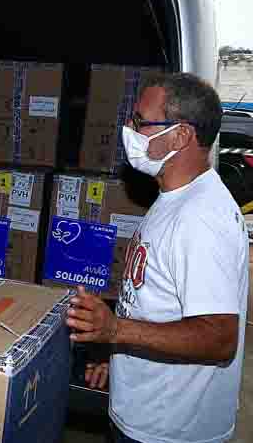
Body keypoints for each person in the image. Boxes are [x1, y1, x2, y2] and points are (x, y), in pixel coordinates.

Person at [69, 73, 249, 443]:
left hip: (169, 431)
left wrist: (115, 330)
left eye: (140, 122)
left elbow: (219, 336)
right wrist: (118, 358)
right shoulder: (176, 197)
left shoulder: (200, 219)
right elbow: (158, 306)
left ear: (181, 136)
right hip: (147, 410)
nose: (129, 130)